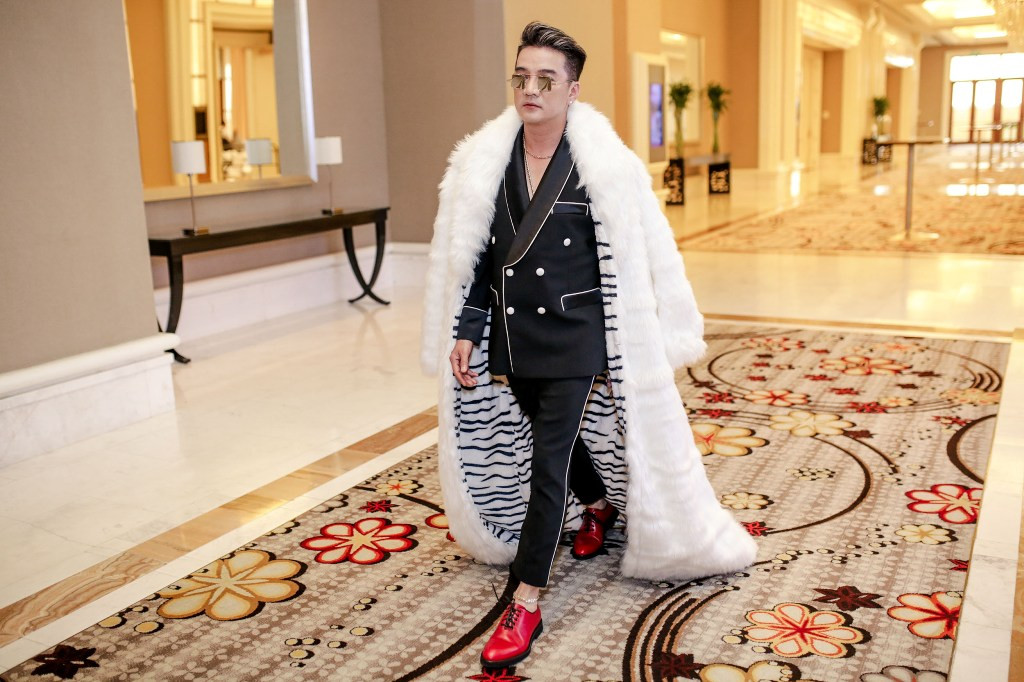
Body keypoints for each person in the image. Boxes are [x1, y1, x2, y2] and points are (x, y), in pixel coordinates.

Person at [421, 21, 756, 669]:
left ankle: (526, 601)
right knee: (556, 437)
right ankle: (598, 505)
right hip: (515, 337)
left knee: (547, 464)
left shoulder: (603, 168)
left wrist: (632, 341)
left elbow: (631, 263)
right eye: (523, 77)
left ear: (572, 90)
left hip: (578, 337)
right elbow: (482, 259)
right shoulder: (487, 165)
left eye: (547, 80)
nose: (532, 90)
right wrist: (467, 331)